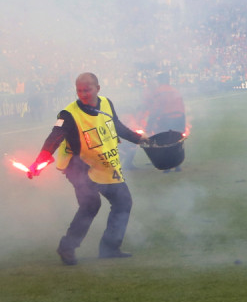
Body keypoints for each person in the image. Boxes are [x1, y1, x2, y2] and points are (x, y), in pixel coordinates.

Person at [27, 73, 148, 265]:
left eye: (87, 90)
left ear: (98, 88)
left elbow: (115, 126)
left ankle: (110, 248)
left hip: (104, 164)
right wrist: (40, 160)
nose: (82, 94)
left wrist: (139, 139)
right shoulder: (68, 114)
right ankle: (67, 248)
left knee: (123, 202)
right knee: (91, 205)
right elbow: (54, 137)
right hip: (78, 167)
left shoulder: (106, 103)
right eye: (79, 90)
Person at [144, 72, 187, 171]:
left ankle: (167, 166)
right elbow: (182, 107)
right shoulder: (175, 90)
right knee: (176, 141)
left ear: (160, 81)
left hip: (166, 118)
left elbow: (156, 108)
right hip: (179, 117)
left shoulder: (158, 91)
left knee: (164, 142)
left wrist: (150, 122)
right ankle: (177, 165)